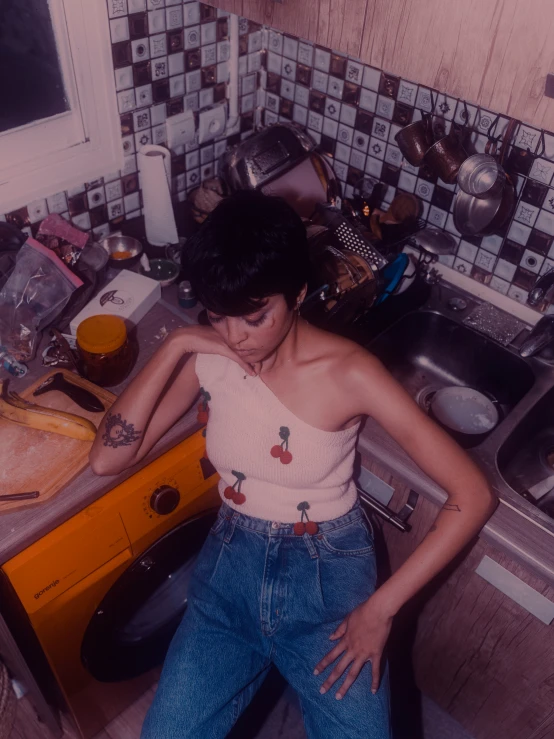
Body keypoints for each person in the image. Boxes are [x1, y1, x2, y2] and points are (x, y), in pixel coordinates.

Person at [89, 191, 496, 739]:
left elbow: (472, 494)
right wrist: (180, 342)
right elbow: (106, 459)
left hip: (326, 576)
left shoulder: (351, 373)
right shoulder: (212, 352)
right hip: (228, 568)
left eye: (256, 316)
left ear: (298, 293)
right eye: (218, 315)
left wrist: (381, 612)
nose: (236, 336)